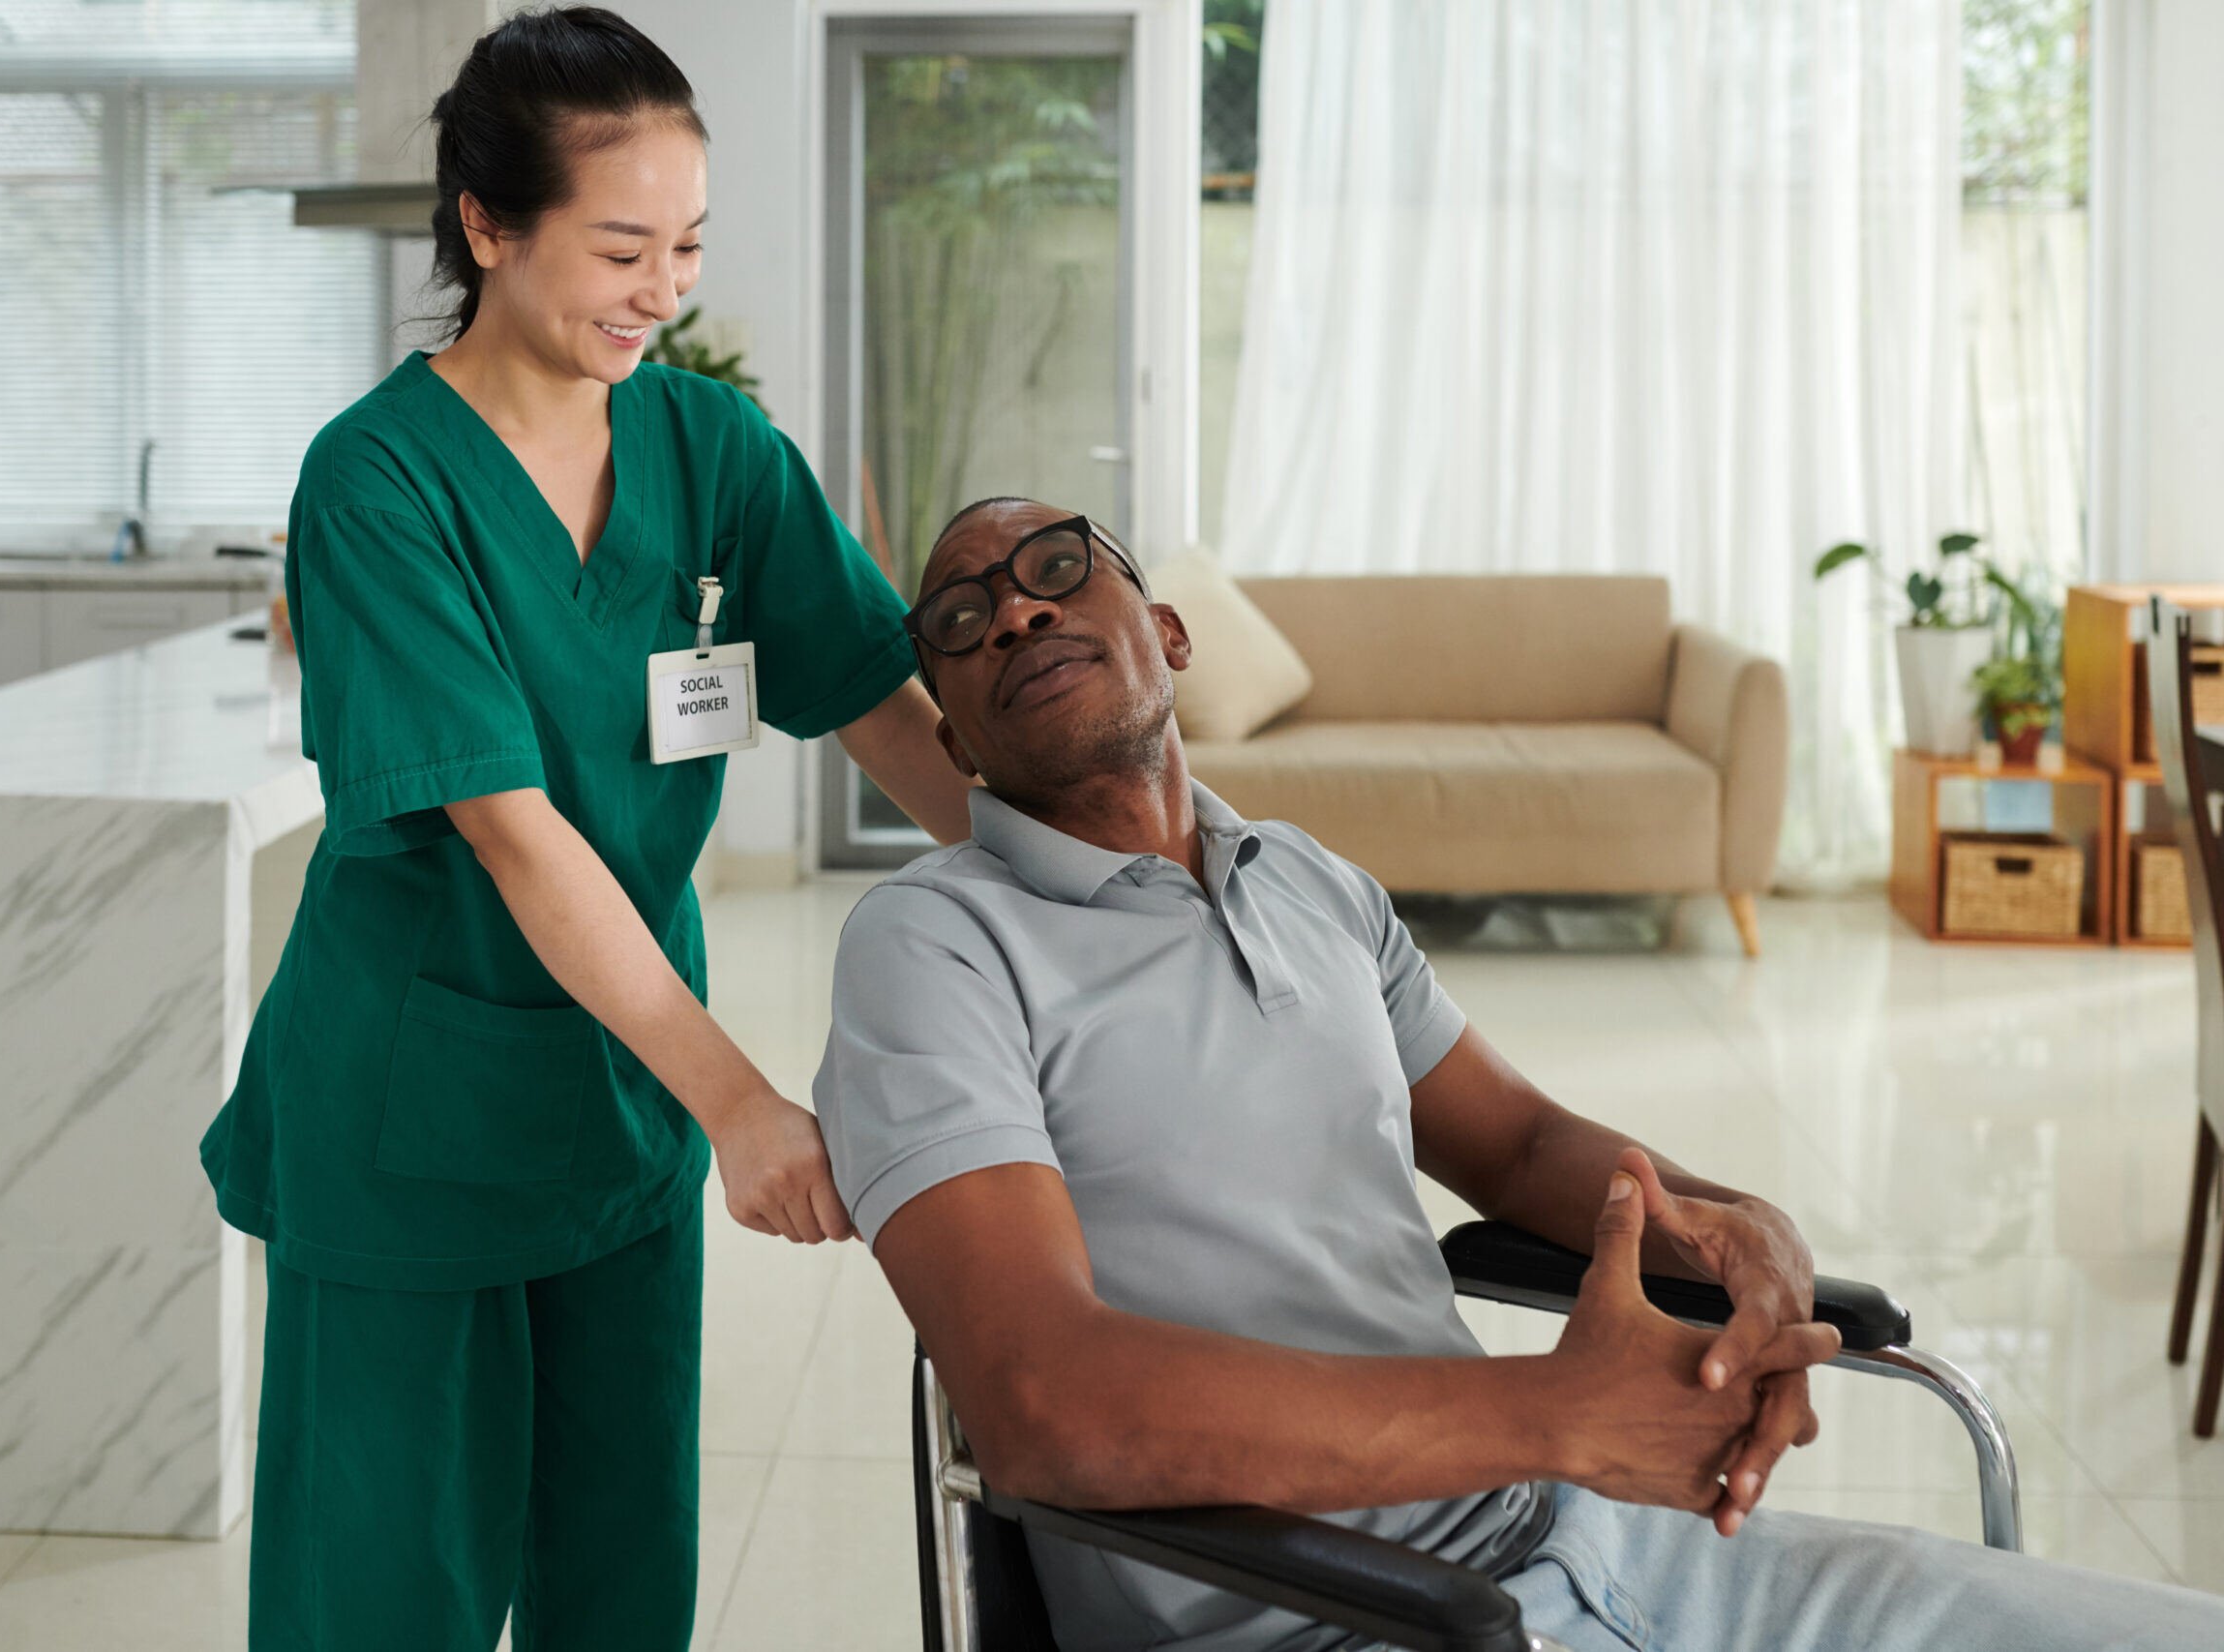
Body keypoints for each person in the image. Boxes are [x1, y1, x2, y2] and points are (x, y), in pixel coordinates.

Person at [812, 496, 2224, 1652]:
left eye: (1057, 567)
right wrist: (1558, 1416)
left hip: (1606, 1547)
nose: (1014, 608)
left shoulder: (1306, 878)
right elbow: (1045, 1407)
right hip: (1346, 1624)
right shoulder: (935, 947)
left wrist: (1735, 1224)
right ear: (954, 737)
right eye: (961, 616)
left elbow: (1524, 1144)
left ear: (1167, 634)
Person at [196, 10, 971, 1648]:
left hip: (615, 1099)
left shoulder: (711, 448)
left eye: (686, 244)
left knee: (621, 1573)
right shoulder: (378, 481)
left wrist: (1096, 889)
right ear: (487, 225)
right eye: (622, 247)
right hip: (412, 1113)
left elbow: (880, 702)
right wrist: (746, 1103)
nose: (663, 288)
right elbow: (516, 830)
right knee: (383, 1595)